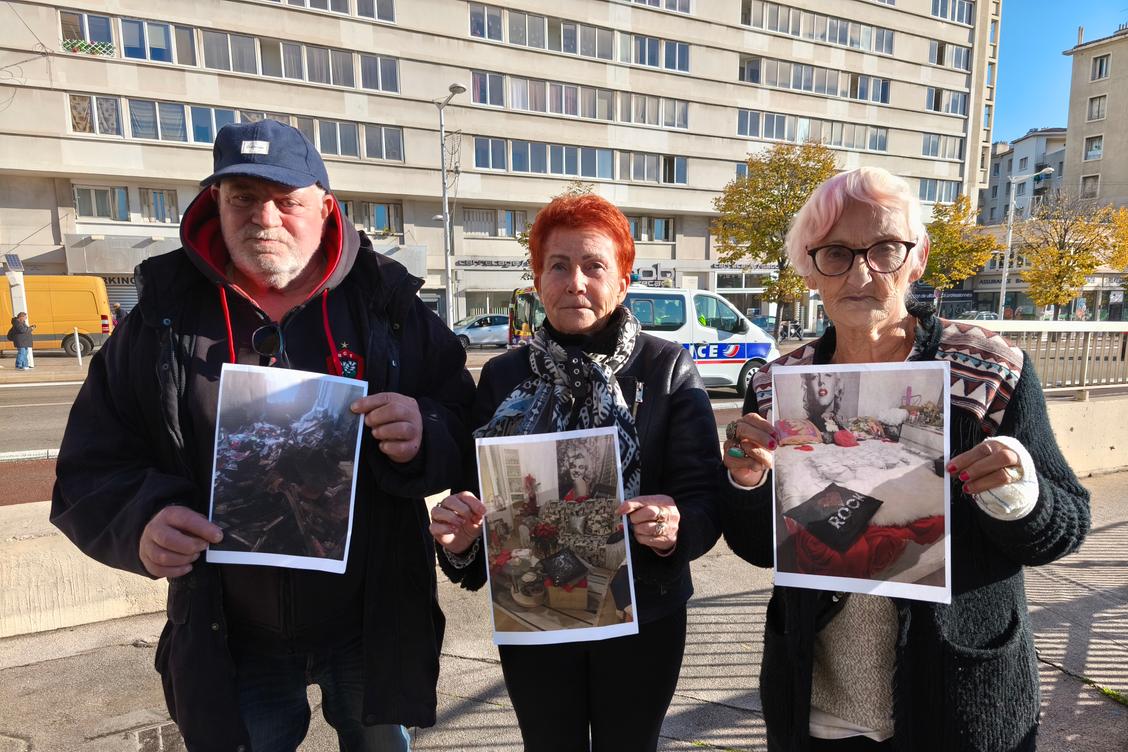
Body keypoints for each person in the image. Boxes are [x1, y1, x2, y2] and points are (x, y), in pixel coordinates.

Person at [50, 120, 475, 752]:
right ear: (215, 204)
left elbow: (467, 422)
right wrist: (143, 521)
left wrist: (426, 429)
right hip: (230, 630)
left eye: (287, 200)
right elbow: (89, 467)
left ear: (325, 207)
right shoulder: (163, 318)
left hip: (371, 620)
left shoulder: (388, 307)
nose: (264, 218)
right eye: (243, 198)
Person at [719, 167, 1091, 751]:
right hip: (817, 703)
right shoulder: (778, 386)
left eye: (885, 249)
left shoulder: (990, 369)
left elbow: (1063, 528)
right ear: (810, 268)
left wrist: (1020, 495)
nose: (863, 272)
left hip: (958, 697)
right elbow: (757, 545)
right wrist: (747, 485)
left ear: (916, 260)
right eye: (836, 253)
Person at [429, 193, 722, 751]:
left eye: (594, 265)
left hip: (642, 616)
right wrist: (460, 537)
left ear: (623, 280)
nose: (575, 282)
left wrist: (671, 528)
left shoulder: (665, 369)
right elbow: (476, 505)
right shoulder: (501, 377)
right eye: (558, 266)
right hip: (533, 611)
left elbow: (704, 498)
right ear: (538, 279)